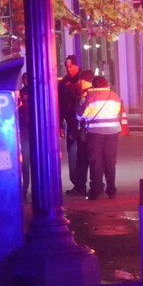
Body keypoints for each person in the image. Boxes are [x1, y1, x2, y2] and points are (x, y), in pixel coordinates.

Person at [77, 74, 124, 200]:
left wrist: (82, 101)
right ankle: (111, 190)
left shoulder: (90, 97)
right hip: (112, 132)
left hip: (95, 133)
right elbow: (118, 111)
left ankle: (96, 190)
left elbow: (80, 115)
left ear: (94, 85)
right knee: (110, 161)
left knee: (96, 162)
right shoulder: (115, 96)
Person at [57, 55, 90, 195]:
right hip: (71, 123)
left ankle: (83, 184)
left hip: (84, 124)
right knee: (72, 155)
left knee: (84, 155)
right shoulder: (63, 83)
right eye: (67, 66)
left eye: (71, 66)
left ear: (77, 66)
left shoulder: (85, 80)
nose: (68, 69)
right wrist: (59, 124)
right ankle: (77, 184)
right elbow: (60, 105)